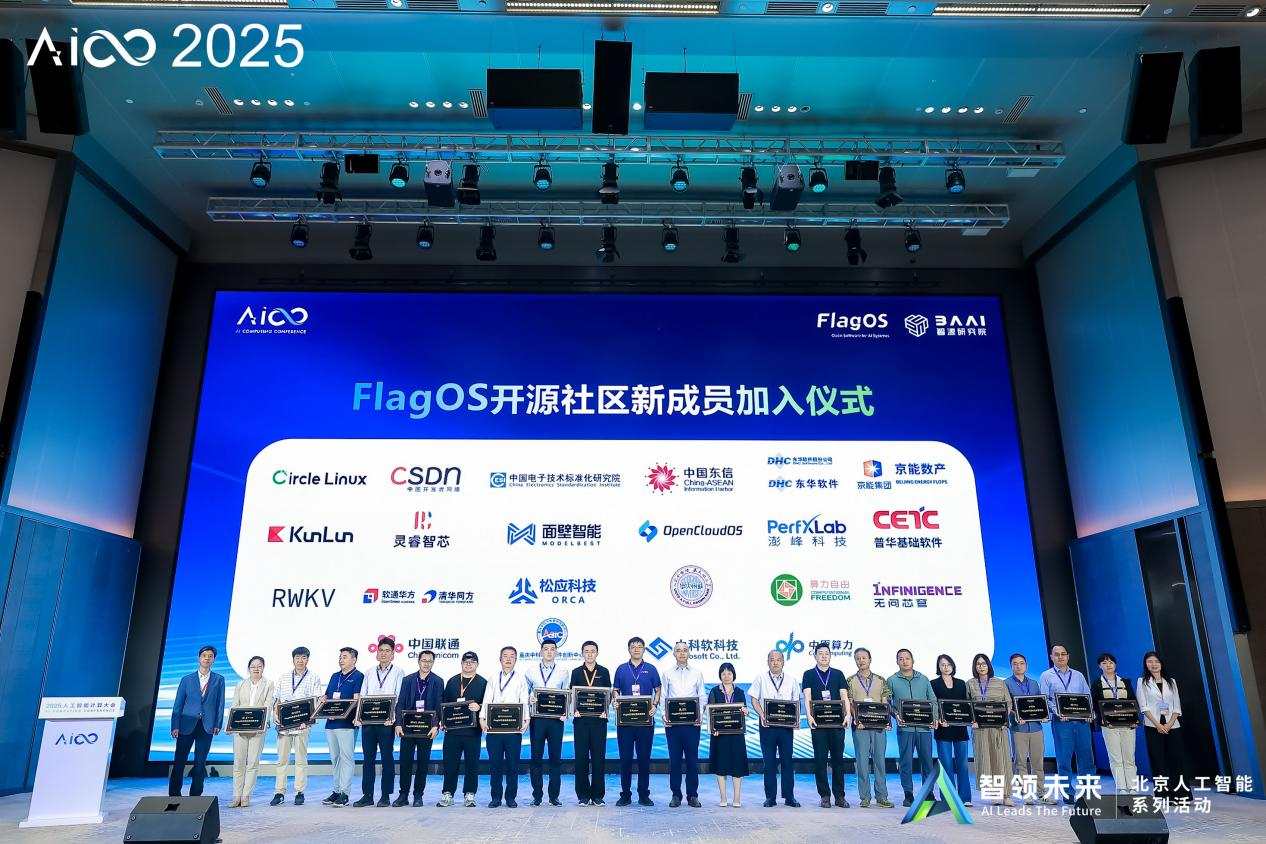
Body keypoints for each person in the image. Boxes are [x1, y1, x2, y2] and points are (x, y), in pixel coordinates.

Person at [1039, 643, 1094, 803]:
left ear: (1068, 656)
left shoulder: (1078, 675)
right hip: (1062, 722)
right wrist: (1056, 711)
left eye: (1063, 654)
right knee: (1064, 760)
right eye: (1056, 654)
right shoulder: (1046, 676)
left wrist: (1089, 712)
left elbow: (1087, 696)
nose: (1060, 657)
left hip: (1082, 722)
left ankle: (1088, 793)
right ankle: (1068, 793)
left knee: (1086, 758)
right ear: (1051, 657)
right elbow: (1045, 698)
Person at [354, 636, 404, 807]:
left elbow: (398, 697)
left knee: (387, 758)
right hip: (368, 722)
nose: (383, 653)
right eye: (381, 650)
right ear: (376, 653)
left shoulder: (398, 672)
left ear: (393, 654)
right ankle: (367, 795)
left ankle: (385, 795)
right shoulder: (369, 672)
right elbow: (363, 695)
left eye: (387, 651)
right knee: (368, 759)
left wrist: (393, 717)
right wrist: (359, 716)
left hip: (386, 723)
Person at [169, 645, 226, 798]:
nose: (207, 658)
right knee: (179, 761)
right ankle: (174, 794)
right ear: (199, 658)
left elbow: (220, 704)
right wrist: (175, 725)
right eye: (204, 655)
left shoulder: (219, 679)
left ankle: (195, 796)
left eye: (210, 656)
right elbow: (178, 704)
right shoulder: (186, 679)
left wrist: (217, 724)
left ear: (213, 660)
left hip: (206, 726)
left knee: (200, 763)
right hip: (185, 725)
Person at [750, 649, 802, 807]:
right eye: (772, 659)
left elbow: (796, 702)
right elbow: (754, 699)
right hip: (767, 726)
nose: (775, 662)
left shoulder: (792, 680)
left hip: (786, 727)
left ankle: (789, 797)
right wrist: (762, 715)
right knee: (769, 762)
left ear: (783, 662)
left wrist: (796, 719)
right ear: (768, 662)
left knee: (787, 761)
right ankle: (770, 797)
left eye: (778, 659)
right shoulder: (760, 678)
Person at [613, 636, 662, 806]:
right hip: (625, 723)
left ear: (644, 649)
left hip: (645, 722)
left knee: (644, 759)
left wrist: (655, 705)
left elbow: (658, 690)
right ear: (628, 649)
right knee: (625, 759)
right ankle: (625, 794)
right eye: (633, 646)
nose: (636, 649)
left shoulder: (651, 669)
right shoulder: (621, 669)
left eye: (639, 646)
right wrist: (616, 700)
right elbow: (616, 690)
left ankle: (643, 795)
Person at [802, 642, 851, 808]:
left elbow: (844, 696)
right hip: (818, 724)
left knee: (838, 761)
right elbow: (807, 697)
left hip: (837, 723)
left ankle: (840, 796)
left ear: (830, 656)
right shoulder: (808, 674)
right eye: (820, 653)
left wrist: (848, 714)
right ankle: (824, 795)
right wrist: (809, 716)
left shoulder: (838, 674)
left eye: (826, 653)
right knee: (820, 760)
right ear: (815, 656)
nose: (824, 656)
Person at [271, 646, 322, 806]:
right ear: (293, 659)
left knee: (301, 760)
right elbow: (276, 700)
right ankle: (279, 792)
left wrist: (307, 720)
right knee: (282, 760)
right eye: (297, 657)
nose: (300, 661)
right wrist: (275, 714)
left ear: (308, 659)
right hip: (284, 727)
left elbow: (316, 701)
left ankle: (299, 792)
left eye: (303, 657)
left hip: (302, 726)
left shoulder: (314, 678)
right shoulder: (283, 677)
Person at [481, 645, 530, 807]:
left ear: (515, 660)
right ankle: (495, 797)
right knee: (495, 765)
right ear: (500, 659)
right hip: (494, 729)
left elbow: (524, 700)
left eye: (512, 656)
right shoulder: (493, 678)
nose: (508, 659)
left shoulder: (521, 678)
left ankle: (510, 797)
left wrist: (526, 720)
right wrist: (482, 718)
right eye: (505, 656)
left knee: (512, 765)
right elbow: (487, 699)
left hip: (513, 729)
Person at [437, 651, 487, 807]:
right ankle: (448, 793)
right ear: (461, 663)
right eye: (466, 662)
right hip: (452, 731)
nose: (469, 664)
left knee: (472, 764)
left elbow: (487, 704)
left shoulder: (483, 682)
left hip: (473, 732)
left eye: (472, 662)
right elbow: (444, 704)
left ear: (477, 664)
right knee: (450, 763)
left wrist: (479, 706)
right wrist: (443, 721)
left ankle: (469, 794)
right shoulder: (452, 681)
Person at [1004, 653, 1054, 805]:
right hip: (1018, 728)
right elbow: (1007, 706)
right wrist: (1016, 715)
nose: (1018, 666)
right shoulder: (1006, 683)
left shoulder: (1033, 683)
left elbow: (1040, 704)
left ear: (1026, 665)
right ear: (1011, 666)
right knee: (1020, 763)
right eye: (1015, 663)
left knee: (1038, 763)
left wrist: (1044, 715)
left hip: (1036, 727)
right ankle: (1026, 794)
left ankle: (1041, 793)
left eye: (1021, 663)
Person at [888, 648, 936, 807]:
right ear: (897, 662)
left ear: (913, 660)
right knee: (906, 762)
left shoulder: (924, 679)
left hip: (924, 728)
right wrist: (896, 715)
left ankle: (928, 792)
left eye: (907, 658)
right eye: (900, 659)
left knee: (927, 762)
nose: (904, 661)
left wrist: (934, 717)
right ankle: (908, 794)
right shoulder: (892, 680)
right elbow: (887, 703)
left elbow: (933, 700)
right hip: (905, 729)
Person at [395, 649, 443, 806]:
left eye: (430, 661)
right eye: (424, 660)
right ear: (418, 661)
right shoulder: (408, 680)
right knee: (405, 762)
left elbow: (438, 705)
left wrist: (436, 725)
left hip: (427, 729)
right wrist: (398, 724)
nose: (426, 664)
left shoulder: (438, 681)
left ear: (433, 663)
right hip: (408, 728)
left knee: (423, 763)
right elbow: (400, 703)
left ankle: (418, 795)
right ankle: (403, 795)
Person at [846, 647, 893, 809]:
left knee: (880, 761)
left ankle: (882, 797)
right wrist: (856, 718)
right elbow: (850, 703)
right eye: (858, 658)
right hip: (860, 727)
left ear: (870, 659)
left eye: (864, 657)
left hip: (878, 726)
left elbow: (885, 702)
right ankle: (865, 797)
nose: (861, 661)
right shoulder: (850, 680)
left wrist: (886, 721)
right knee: (862, 762)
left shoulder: (880, 680)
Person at [662, 641, 706, 808]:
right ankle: (676, 795)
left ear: (689, 653)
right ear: (674, 653)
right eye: (678, 650)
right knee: (674, 761)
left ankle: (692, 795)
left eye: (685, 650)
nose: (682, 653)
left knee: (692, 761)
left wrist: (699, 716)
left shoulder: (697, 673)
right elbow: (664, 697)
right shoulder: (667, 674)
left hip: (692, 725)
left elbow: (701, 696)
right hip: (673, 725)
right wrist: (664, 716)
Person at [1138, 651, 1188, 798]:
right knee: (1158, 760)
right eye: (1149, 661)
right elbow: (1143, 707)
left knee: (1177, 760)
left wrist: (1170, 724)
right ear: (1145, 664)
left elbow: (1176, 706)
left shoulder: (1171, 681)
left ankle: (1182, 794)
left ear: (1161, 663)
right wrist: (1158, 725)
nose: (1153, 664)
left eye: (1156, 661)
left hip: (1172, 725)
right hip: (1153, 726)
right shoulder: (1142, 682)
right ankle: (1165, 795)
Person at [966, 653, 1014, 806]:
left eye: (984, 663)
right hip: (980, 730)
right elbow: (967, 706)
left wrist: (1004, 719)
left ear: (988, 665)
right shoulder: (970, 683)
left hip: (998, 728)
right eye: (978, 664)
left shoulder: (999, 683)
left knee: (1003, 760)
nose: (981, 666)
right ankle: (993, 793)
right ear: (975, 667)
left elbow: (1008, 703)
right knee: (986, 760)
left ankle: (1007, 795)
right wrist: (972, 721)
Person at [526, 638, 569, 807]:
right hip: (537, 720)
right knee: (536, 758)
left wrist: (565, 712)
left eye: (552, 649)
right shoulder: (531, 672)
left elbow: (566, 694)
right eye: (546, 649)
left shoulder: (563, 672)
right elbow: (525, 694)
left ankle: (554, 796)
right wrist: (529, 699)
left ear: (556, 652)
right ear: (540, 651)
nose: (549, 652)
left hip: (556, 720)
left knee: (555, 759)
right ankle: (537, 796)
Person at [569, 640, 611, 806]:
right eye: (586, 651)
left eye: (592, 651)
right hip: (581, 720)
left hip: (599, 721)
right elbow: (572, 694)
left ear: (597, 653)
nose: (589, 654)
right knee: (581, 758)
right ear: (582, 653)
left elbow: (608, 695)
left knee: (599, 758)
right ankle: (583, 795)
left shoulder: (604, 671)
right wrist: (574, 709)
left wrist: (605, 709)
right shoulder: (576, 672)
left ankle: (598, 795)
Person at [321, 647, 363, 807]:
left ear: (354, 659)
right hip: (330, 723)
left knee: (346, 758)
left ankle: (345, 793)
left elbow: (356, 700)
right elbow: (327, 696)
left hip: (347, 724)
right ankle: (336, 790)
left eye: (344, 657)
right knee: (335, 758)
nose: (341, 660)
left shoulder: (358, 676)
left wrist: (340, 713)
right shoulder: (334, 676)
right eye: (340, 657)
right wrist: (323, 704)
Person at [1090, 652, 1138, 795]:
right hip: (1109, 726)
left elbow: (1133, 702)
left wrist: (1135, 720)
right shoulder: (1097, 684)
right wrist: (1101, 719)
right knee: (1115, 757)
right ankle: (1121, 787)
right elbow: (1094, 704)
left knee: (1129, 757)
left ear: (1115, 664)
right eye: (1104, 663)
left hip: (1128, 725)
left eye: (1111, 662)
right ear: (1099, 666)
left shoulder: (1125, 682)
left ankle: (1132, 787)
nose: (1108, 665)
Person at [229, 656, 273, 808]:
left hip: (258, 729)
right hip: (240, 729)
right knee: (239, 763)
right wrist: (232, 724)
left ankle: (246, 796)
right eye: (253, 666)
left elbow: (268, 705)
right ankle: (236, 796)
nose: (256, 668)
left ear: (263, 668)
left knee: (252, 763)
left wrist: (263, 721)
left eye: (259, 666)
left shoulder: (269, 684)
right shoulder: (240, 684)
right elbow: (235, 705)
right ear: (249, 668)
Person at [930, 654, 972, 807]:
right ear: (938, 667)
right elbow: (933, 704)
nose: (946, 667)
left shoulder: (961, 683)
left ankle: (965, 797)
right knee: (946, 764)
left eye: (948, 664)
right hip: (943, 729)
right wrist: (938, 719)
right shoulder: (933, 684)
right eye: (942, 664)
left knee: (963, 765)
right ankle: (948, 798)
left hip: (960, 729)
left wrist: (968, 719)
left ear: (953, 666)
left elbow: (966, 704)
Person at [708, 662, 749, 807]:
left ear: (733, 675)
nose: (726, 676)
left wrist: (746, 711)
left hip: (736, 735)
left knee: (737, 766)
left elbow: (744, 710)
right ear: (720, 675)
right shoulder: (714, 691)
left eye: (729, 673)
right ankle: (723, 798)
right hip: (719, 735)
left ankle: (737, 798)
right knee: (721, 766)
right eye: (723, 673)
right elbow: (711, 712)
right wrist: (713, 728)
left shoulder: (740, 692)